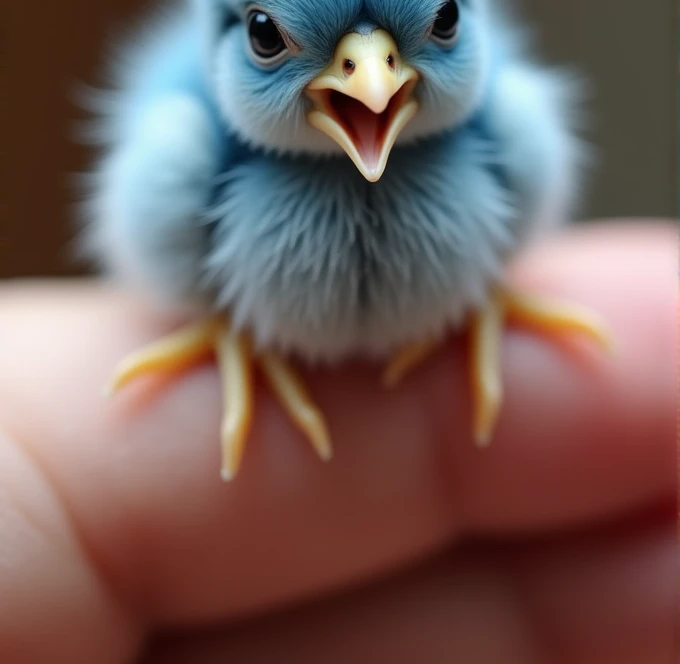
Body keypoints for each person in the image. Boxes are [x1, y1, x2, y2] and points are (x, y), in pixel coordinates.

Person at [0, 221, 675, 663]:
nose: (372, 75)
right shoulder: (190, 162)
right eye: (270, 40)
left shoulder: (498, 140)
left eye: (440, 25)